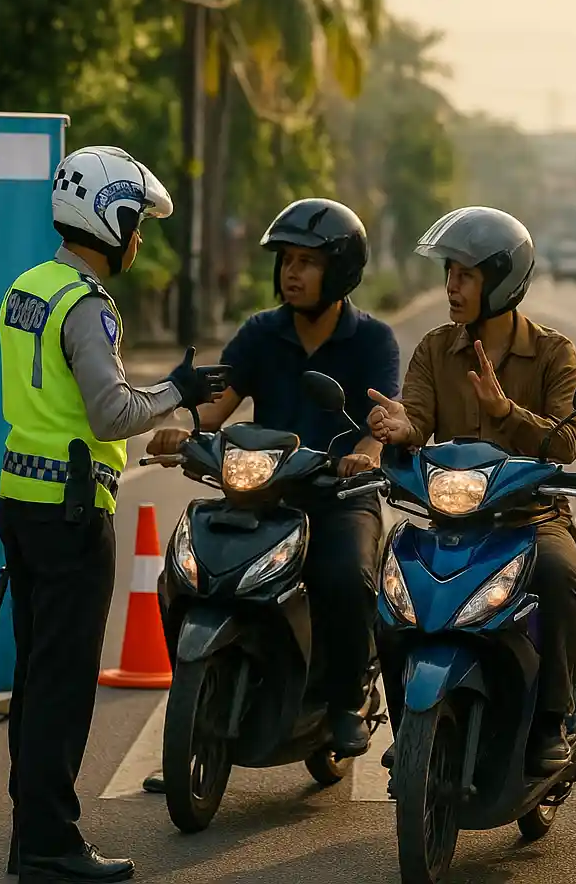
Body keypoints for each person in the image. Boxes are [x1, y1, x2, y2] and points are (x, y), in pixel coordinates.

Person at [0, 146, 228, 883]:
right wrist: (179, 391)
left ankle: (28, 834)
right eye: (137, 226)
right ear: (113, 217)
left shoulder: (27, 287)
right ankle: (52, 846)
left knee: (35, 680)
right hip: (70, 517)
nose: (139, 241)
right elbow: (110, 411)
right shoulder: (87, 305)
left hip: (21, 503)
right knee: (61, 686)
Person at [139, 197, 399, 795]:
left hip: (338, 492)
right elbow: (218, 404)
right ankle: (196, 715)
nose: (292, 272)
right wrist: (187, 430)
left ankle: (345, 699)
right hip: (264, 492)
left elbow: (381, 420)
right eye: (286, 260)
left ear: (340, 271)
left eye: (307, 262)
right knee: (187, 569)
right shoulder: (261, 332)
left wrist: (367, 454)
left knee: (346, 574)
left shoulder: (372, 341)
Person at [366, 206, 576, 775]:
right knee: (391, 592)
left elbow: (566, 442)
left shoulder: (553, 353)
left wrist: (505, 413)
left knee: (561, 577)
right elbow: (415, 413)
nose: (451, 286)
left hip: (532, 518)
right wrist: (399, 427)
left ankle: (550, 722)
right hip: (453, 520)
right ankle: (408, 718)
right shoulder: (436, 349)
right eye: (449, 273)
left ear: (501, 279)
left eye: (464, 274)